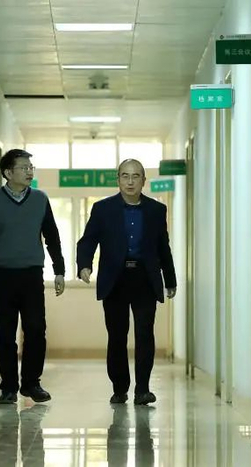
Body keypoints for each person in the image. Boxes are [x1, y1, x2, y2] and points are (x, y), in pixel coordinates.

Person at [76, 158, 177, 406]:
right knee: (117, 336)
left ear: (143, 181)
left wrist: (170, 279)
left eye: (135, 176)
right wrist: (84, 264)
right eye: (125, 176)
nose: (130, 181)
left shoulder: (156, 210)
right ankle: (120, 388)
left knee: (145, 334)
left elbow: (163, 247)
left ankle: (142, 389)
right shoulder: (103, 209)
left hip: (145, 278)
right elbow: (88, 240)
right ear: (118, 179)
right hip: (115, 279)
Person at [0, 148, 65, 405]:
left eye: (30, 167)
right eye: (24, 167)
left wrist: (59, 270)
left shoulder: (40, 199)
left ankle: (32, 383)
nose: (29, 172)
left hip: (32, 274)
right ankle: (9, 387)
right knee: (5, 334)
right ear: (8, 173)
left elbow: (52, 237)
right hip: (2, 275)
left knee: (36, 329)